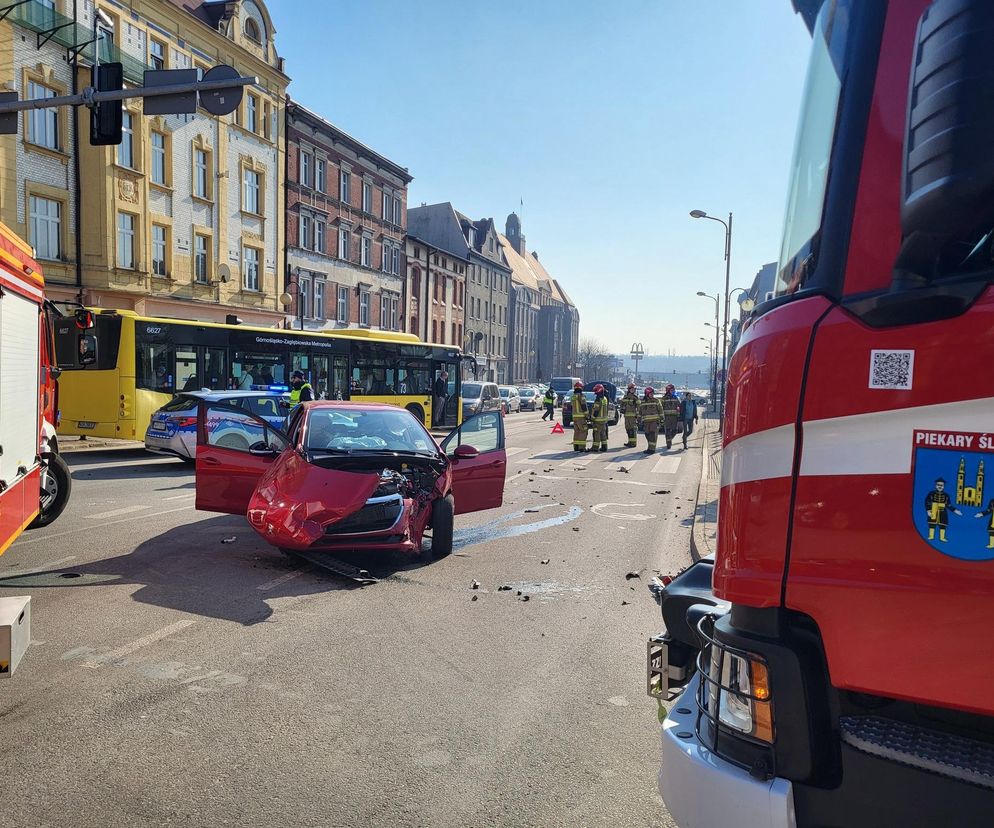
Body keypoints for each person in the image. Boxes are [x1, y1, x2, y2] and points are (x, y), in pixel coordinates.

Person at [925, 478, 961, 543]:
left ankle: (942, 538)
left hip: (943, 512)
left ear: (943, 486)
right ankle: (931, 536)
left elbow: (948, 505)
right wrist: (928, 510)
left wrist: (955, 510)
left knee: (943, 525)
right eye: (938, 485)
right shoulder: (931, 493)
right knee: (932, 524)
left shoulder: (946, 495)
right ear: (936, 485)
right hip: (933, 510)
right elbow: (927, 502)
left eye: (941, 485)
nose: (940, 486)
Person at [639, 386, 663, 454]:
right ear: (647, 394)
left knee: (652, 435)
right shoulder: (643, 402)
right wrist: (639, 419)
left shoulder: (656, 401)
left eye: (653, 393)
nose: (652, 395)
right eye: (650, 394)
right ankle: (650, 448)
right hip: (646, 422)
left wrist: (662, 419)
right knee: (647, 435)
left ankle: (652, 450)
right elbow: (640, 412)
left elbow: (660, 410)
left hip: (654, 421)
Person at [661, 383, 681, 450]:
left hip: (674, 417)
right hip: (667, 417)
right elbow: (661, 408)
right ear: (668, 390)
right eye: (672, 390)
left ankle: (669, 440)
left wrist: (679, 413)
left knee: (675, 430)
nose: (673, 391)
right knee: (668, 431)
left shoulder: (676, 397)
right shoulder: (664, 398)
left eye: (674, 390)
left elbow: (679, 406)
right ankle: (668, 444)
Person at [590, 383, 610, 453]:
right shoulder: (604, 398)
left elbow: (596, 410)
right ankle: (604, 447)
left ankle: (595, 447)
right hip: (604, 420)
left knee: (596, 434)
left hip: (598, 420)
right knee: (603, 434)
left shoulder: (598, 399)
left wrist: (592, 418)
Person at [569, 381, 589, 452]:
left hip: (574, 417)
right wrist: (587, 415)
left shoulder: (573, 396)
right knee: (583, 431)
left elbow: (571, 406)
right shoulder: (581, 396)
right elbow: (584, 406)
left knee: (576, 432)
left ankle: (576, 447)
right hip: (581, 417)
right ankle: (582, 447)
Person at [620, 383, 640, 448]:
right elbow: (622, 404)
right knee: (628, 429)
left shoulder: (635, 398)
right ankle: (630, 442)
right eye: (632, 389)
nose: (633, 390)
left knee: (633, 429)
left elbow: (639, 407)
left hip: (633, 417)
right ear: (629, 389)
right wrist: (622, 409)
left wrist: (638, 415)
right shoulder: (625, 397)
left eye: (634, 389)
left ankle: (633, 443)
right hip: (626, 416)